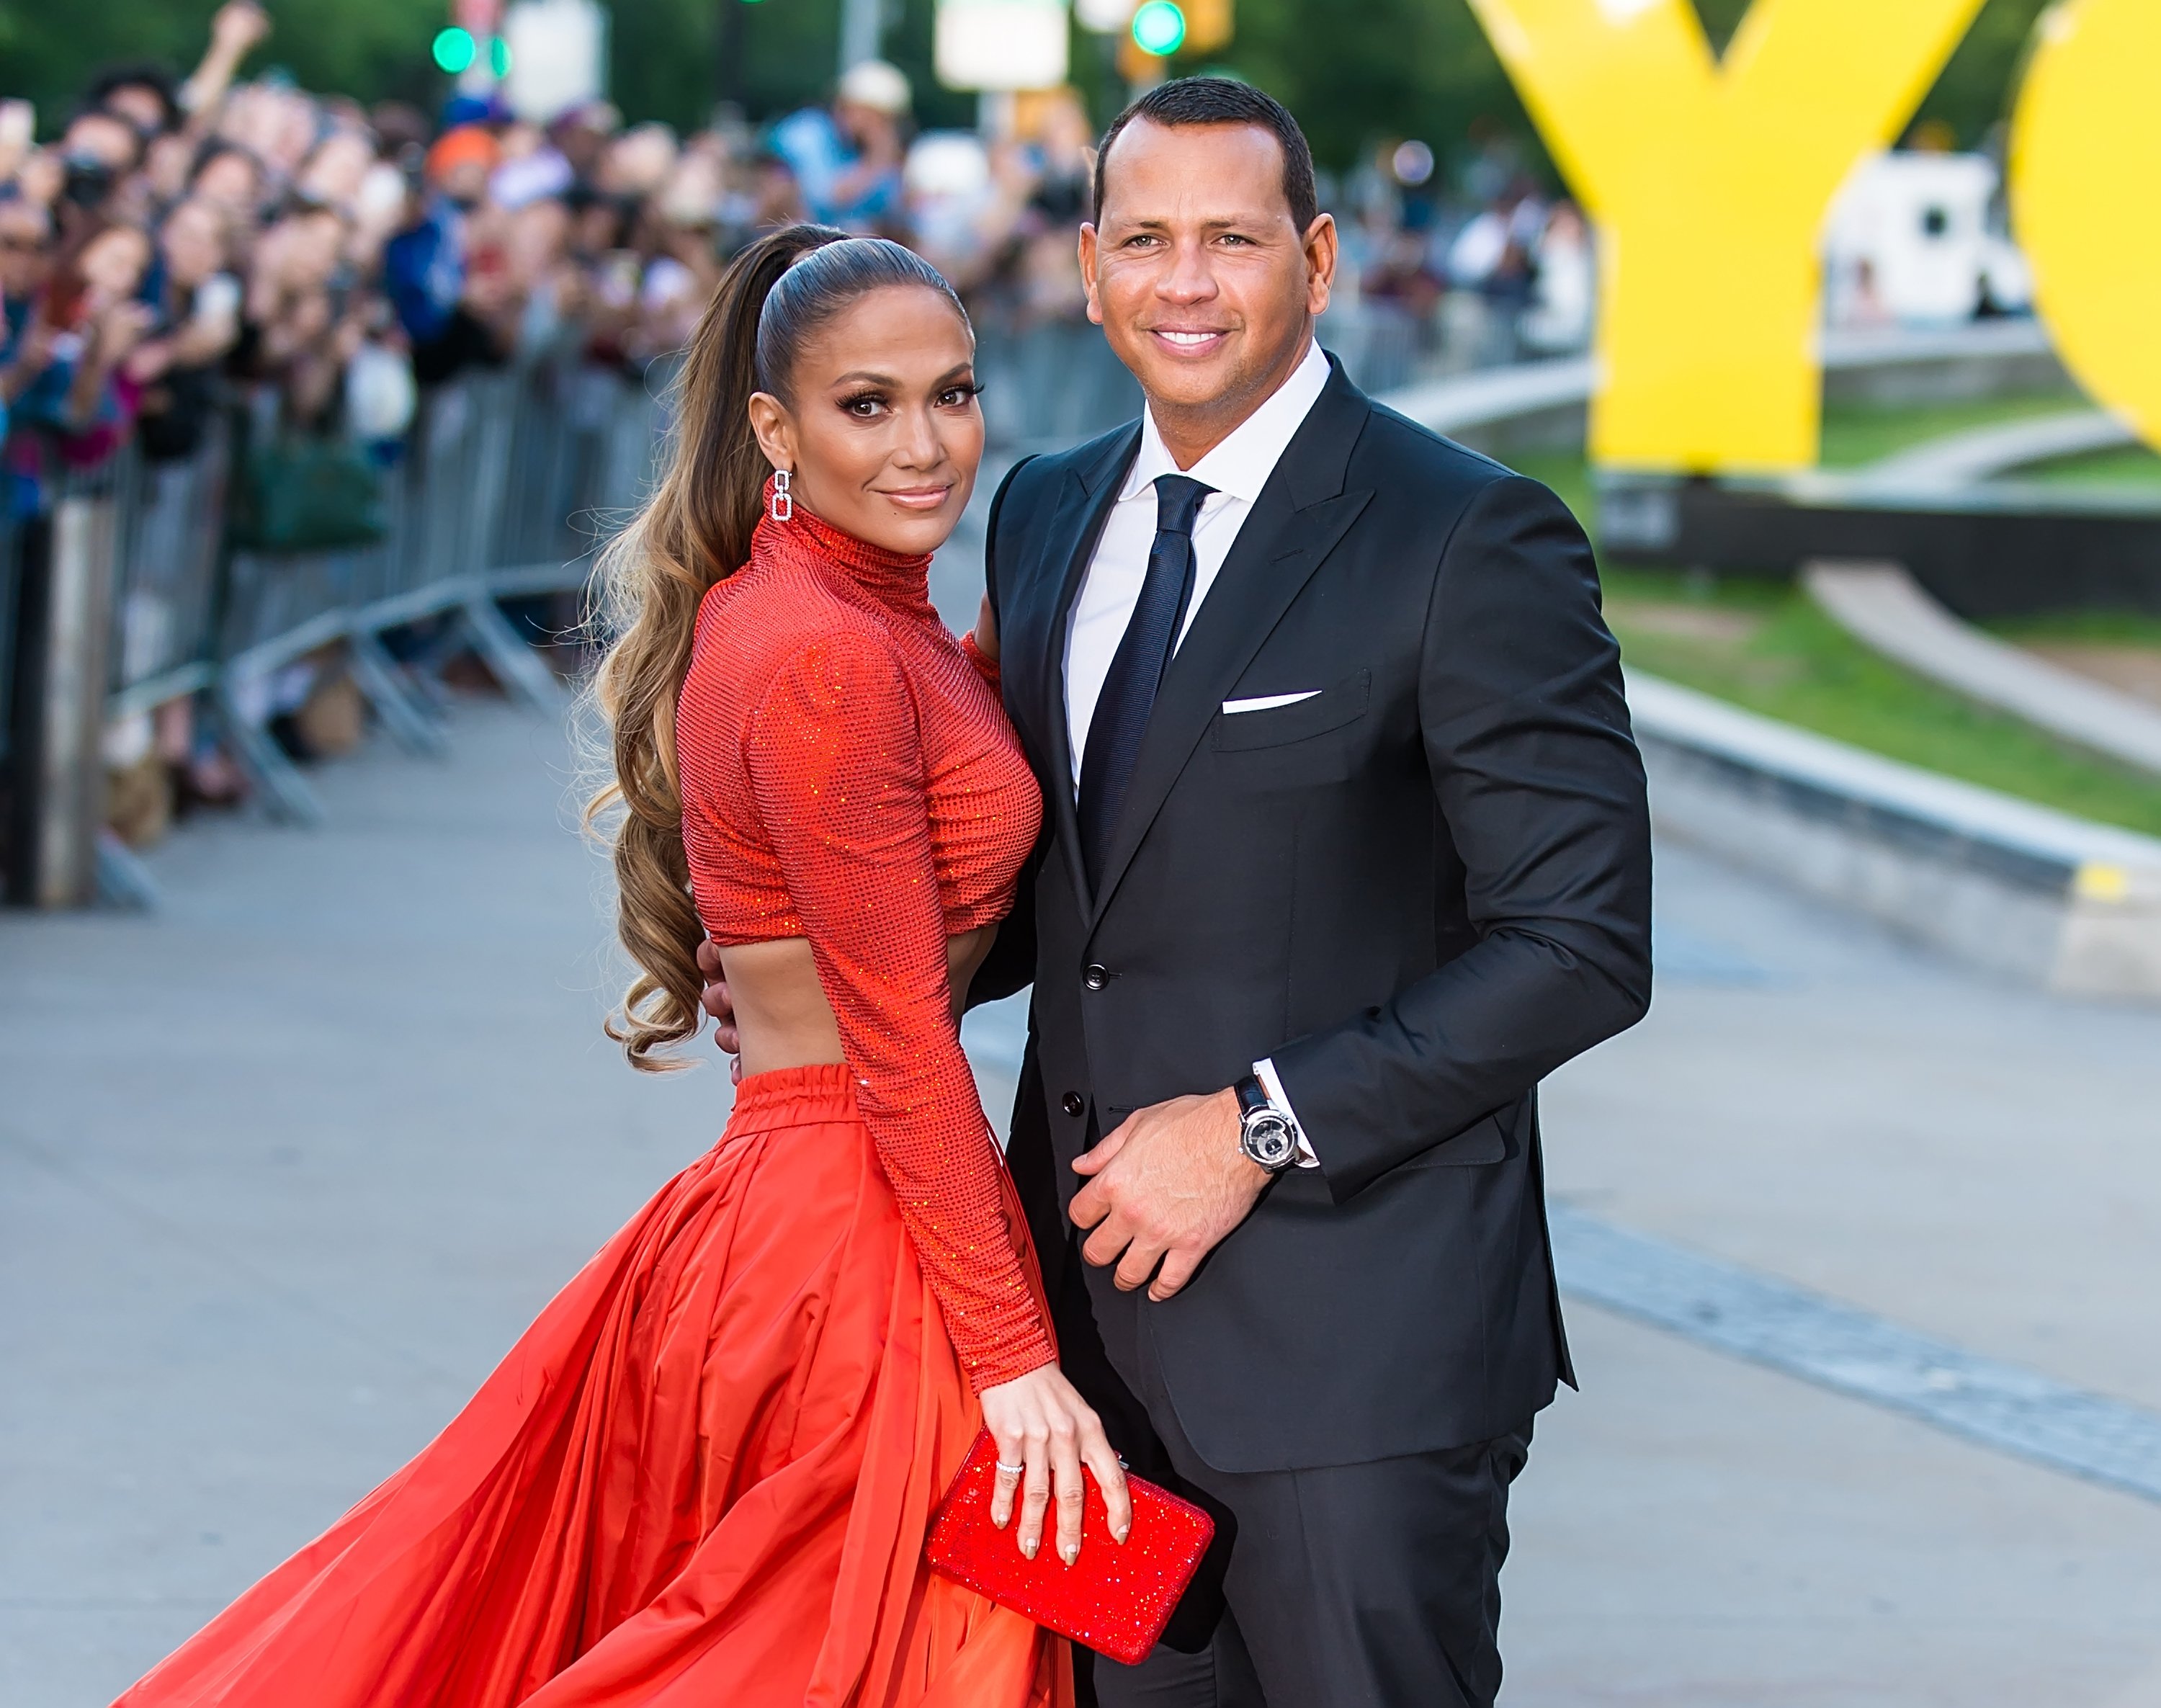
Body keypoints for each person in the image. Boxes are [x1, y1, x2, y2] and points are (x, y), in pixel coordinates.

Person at [713, 78, 1653, 1704]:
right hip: (1075, 1355)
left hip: (1361, 1360)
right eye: (1146, 239)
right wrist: (846, 966)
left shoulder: (1471, 536)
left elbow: (1582, 944)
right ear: (1088, 269)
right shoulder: (1047, 506)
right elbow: (1078, 886)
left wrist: (1257, 1123)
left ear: (1322, 257)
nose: (1188, 282)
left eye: (1233, 237)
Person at [112, 227, 1132, 1706]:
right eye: (870, 405)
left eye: (954, 394)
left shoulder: (853, 613)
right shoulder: (822, 652)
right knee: (847, 1661)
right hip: (856, 1233)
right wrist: (1016, 1356)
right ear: (775, 429)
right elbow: (902, 1038)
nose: (927, 446)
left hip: (813, 1210)